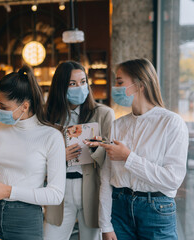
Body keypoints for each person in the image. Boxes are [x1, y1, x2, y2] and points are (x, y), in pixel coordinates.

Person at [96, 58, 188, 240]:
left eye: (120, 82)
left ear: (140, 84)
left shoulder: (171, 123)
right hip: (119, 209)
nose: (115, 87)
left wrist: (128, 157)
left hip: (157, 210)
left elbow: (173, 180)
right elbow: (106, 177)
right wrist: (105, 225)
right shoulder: (117, 125)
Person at [0, 66, 66, 240]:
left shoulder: (51, 136)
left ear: (24, 106)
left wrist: (9, 191)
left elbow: (55, 195)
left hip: (26, 218)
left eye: (3, 105)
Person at [44, 61, 115, 240]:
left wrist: (97, 148)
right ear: (60, 87)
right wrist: (59, 157)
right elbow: (37, 157)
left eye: (83, 82)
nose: (79, 88)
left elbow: (111, 158)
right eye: (72, 84)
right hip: (59, 189)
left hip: (92, 187)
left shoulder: (104, 114)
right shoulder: (46, 116)